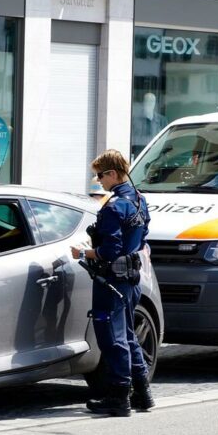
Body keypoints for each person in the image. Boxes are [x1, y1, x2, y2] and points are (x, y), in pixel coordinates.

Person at [70, 149, 153, 416]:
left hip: (111, 280)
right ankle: (142, 392)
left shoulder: (116, 205)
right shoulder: (139, 200)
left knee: (112, 338)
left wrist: (82, 253)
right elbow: (142, 237)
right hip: (130, 278)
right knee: (128, 336)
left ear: (113, 174)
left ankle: (119, 397)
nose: (99, 181)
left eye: (100, 176)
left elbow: (109, 251)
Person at [132, 92, 168, 157]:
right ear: (143, 103)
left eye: (152, 101)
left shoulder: (162, 120)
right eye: (147, 101)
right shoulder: (135, 120)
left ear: (155, 103)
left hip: (156, 154)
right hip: (140, 155)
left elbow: (166, 140)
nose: (150, 104)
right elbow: (133, 140)